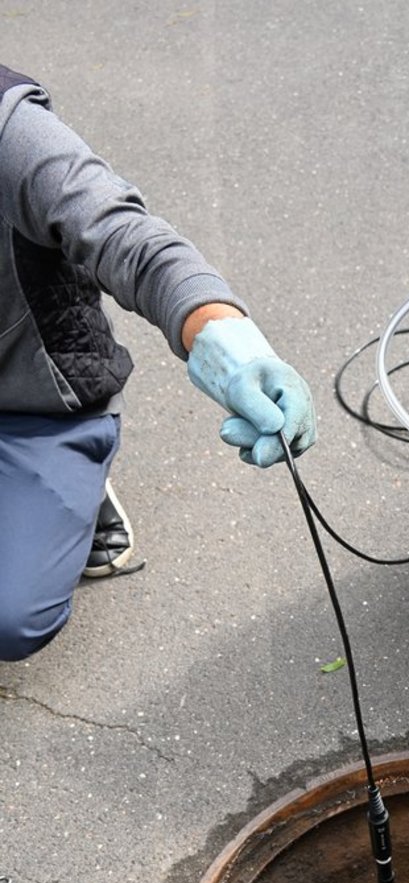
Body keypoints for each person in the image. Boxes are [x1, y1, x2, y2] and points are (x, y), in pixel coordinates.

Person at [0, 63, 315, 659]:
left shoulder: (11, 133)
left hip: (32, 405)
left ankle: (75, 491)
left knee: (9, 617)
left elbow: (129, 239)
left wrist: (226, 340)